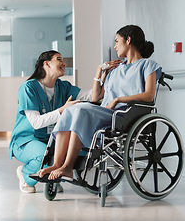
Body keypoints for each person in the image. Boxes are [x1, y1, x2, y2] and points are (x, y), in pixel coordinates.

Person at [37, 25, 162, 181]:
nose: (115, 46)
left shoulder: (147, 65)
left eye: (117, 41)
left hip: (124, 115)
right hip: (106, 112)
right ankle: (57, 164)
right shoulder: (115, 69)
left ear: (128, 40)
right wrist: (100, 72)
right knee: (71, 109)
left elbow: (149, 96)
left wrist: (118, 99)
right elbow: (96, 97)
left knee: (80, 109)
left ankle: (67, 167)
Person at [9, 50, 90, 193]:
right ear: (46, 64)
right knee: (43, 156)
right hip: (26, 140)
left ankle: (51, 176)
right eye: (59, 59)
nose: (64, 63)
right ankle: (24, 174)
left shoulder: (63, 86)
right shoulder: (28, 88)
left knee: (79, 152)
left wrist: (101, 78)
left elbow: (89, 96)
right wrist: (62, 110)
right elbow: (36, 123)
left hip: (51, 139)